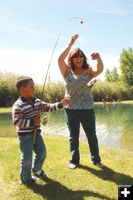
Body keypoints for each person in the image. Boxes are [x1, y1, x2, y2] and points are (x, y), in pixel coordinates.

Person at [12, 76, 70, 185]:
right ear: (22, 89)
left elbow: (48, 107)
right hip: (25, 136)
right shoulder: (18, 105)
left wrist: (61, 104)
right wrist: (33, 122)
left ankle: (36, 170)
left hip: (36, 134)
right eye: (31, 86)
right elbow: (17, 121)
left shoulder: (37, 101)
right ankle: (26, 179)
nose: (34, 88)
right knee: (27, 158)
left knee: (42, 152)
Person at [58, 34, 104, 169]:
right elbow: (60, 59)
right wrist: (70, 44)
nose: (79, 58)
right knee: (73, 136)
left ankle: (96, 159)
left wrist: (99, 58)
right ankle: (74, 160)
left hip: (87, 109)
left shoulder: (88, 71)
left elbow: (99, 69)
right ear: (71, 59)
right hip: (71, 109)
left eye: (81, 56)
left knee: (91, 135)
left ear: (83, 58)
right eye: (75, 56)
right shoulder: (67, 71)